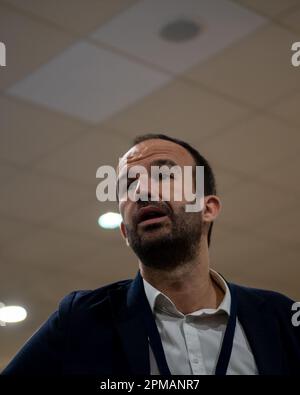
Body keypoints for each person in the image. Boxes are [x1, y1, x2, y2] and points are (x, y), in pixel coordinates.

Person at [2, 133, 300, 375]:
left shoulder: (280, 318)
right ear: (124, 232)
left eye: (164, 174)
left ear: (208, 208)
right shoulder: (81, 319)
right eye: (128, 184)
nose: (142, 191)